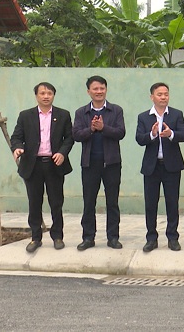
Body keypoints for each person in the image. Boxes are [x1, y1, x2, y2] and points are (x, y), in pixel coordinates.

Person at [10, 82, 73, 253]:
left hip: (54, 164)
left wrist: (62, 153)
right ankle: (35, 237)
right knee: (34, 202)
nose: (46, 96)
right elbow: (16, 137)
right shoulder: (25, 115)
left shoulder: (63, 115)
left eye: (49, 93)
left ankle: (57, 236)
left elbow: (69, 138)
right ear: (36, 95)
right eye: (42, 93)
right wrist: (17, 147)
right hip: (33, 165)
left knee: (56, 202)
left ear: (54, 95)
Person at [72, 75, 126, 251]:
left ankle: (113, 237)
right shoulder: (81, 112)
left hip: (111, 163)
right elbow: (77, 135)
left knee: (112, 202)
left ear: (106, 90)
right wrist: (91, 129)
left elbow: (120, 132)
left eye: (102, 88)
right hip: (89, 163)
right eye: (95, 89)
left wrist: (104, 128)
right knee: (89, 201)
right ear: (89, 91)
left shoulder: (115, 110)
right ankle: (88, 237)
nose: (99, 91)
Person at [135, 82, 184, 252]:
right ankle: (151, 238)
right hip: (152, 166)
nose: (163, 97)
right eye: (159, 94)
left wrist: (170, 134)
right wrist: (153, 134)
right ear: (152, 97)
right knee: (151, 203)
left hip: (172, 166)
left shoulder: (176, 114)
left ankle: (172, 237)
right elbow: (139, 139)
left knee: (172, 202)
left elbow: (183, 135)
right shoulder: (144, 117)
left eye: (166, 94)